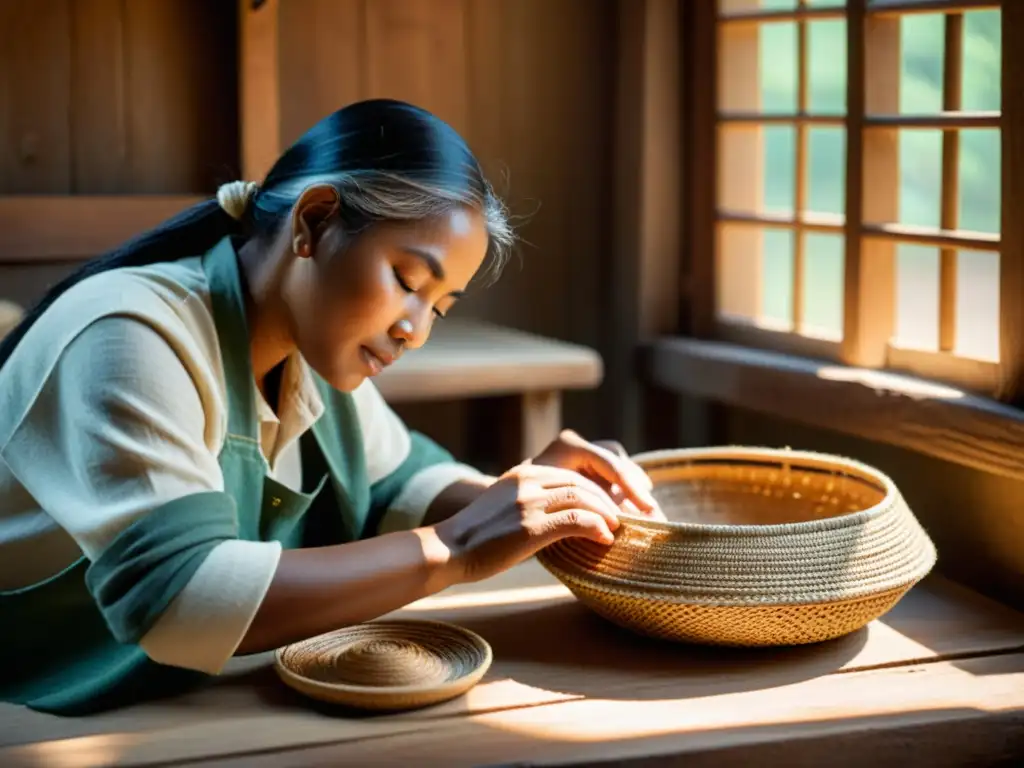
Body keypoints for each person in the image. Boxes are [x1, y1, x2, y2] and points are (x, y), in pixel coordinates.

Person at [0, 98, 661, 716]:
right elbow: (179, 600)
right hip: (36, 717)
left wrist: (530, 503)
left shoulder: (302, 348)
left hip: (180, 701)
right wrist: (461, 543)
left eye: (438, 305)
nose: (415, 329)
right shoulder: (129, 332)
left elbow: (398, 483)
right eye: (406, 281)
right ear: (314, 221)